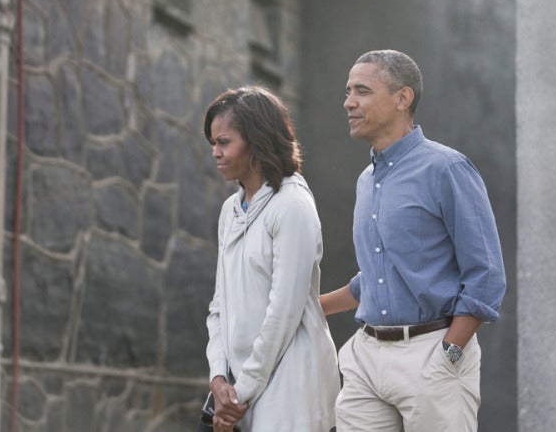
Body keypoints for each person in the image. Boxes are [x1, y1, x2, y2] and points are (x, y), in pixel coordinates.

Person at [320, 49, 507, 432]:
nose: (348, 102)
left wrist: (449, 352)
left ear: (403, 98)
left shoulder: (447, 168)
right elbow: (378, 276)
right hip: (366, 357)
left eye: (362, 91)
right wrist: (308, 306)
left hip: (433, 355)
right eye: (348, 91)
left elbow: (486, 274)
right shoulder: (366, 180)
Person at [203, 86, 339, 432]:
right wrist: (219, 377)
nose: (215, 153)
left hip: (293, 387)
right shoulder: (229, 211)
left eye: (224, 142)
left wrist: (240, 393)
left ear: (257, 141)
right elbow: (219, 305)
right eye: (213, 144)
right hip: (239, 392)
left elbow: (284, 312)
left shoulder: (292, 205)